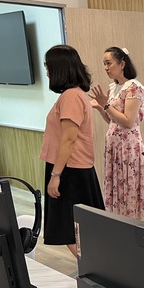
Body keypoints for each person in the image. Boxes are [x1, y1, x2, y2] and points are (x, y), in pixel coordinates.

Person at [40, 45, 104, 257]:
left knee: (72, 231)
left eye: (48, 66)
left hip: (71, 169)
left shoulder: (71, 96)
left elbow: (69, 137)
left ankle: (95, 269)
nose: (47, 71)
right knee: (74, 231)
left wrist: (56, 175)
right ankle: (94, 268)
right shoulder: (74, 95)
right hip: (72, 167)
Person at [89, 47, 144, 221]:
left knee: (129, 188)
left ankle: (133, 225)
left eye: (109, 63)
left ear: (122, 64)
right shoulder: (114, 87)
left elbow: (128, 121)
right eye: (104, 64)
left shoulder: (134, 87)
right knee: (116, 188)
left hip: (128, 147)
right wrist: (101, 108)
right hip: (114, 147)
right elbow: (112, 121)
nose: (106, 68)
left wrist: (106, 105)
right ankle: (118, 225)